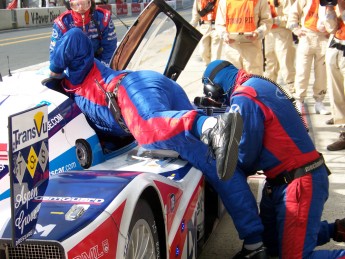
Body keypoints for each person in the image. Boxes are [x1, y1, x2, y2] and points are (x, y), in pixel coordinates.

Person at [48, 30, 255, 258]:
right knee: (215, 163)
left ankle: (211, 126)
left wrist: (54, 71)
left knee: (149, 129)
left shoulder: (74, 77)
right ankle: (256, 243)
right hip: (149, 84)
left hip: (130, 90)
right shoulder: (79, 92)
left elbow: (75, 36)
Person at [202, 59, 345, 258]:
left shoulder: (244, 97)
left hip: (299, 182)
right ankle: (336, 229)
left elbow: (245, 155)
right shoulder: (257, 84)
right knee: (272, 246)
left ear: (215, 88)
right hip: (286, 180)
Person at [287, 0, 331, 115]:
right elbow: (293, 13)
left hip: (324, 38)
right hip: (307, 35)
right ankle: (299, 100)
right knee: (302, 71)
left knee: (322, 73)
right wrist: (296, 29)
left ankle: (319, 101)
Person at [49, 0, 117, 66]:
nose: (81, 9)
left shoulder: (103, 17)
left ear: (91, 4)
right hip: (73, 66)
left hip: (97, 63)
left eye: (84, 4)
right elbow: (54, 54)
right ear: (70, 5)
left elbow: (110, 47)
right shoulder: (62, 23)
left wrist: (103, 68)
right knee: (74, 33)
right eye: (76, 5)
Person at [214, 0, 272, 75]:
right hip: (232, 49)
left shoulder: (259, 1)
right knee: (234, 82)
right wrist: (224, 35)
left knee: (252, 82)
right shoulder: (224, 2)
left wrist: (258, 33)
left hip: (252, 50)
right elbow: (219, 24)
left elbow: (267, 21)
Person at [321, 0, 345, 151]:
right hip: (335, 46)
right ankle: (343, 130)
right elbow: (330, 28)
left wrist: (341, 7)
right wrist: (330, 7)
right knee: (336, 93)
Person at [264, 0, 296, 95]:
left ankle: (292, 91)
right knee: (270, 64)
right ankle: (268, 90)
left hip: (282, 32)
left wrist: (273, 20)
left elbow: (291, 17)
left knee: (285, 63)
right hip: (268, 33)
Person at [190, 0, 223, 66]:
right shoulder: (199, 1)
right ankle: (208, 66)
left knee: (216, 54)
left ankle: (213, 70)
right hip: (204, 26)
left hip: (217, 26)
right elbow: (195, 14)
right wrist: (191, 28)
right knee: (203, 51)